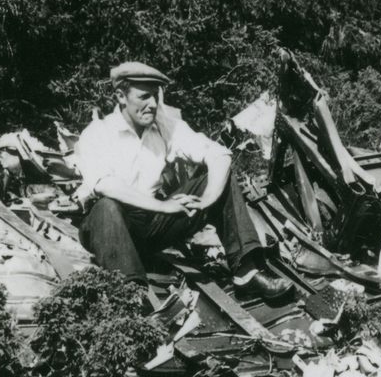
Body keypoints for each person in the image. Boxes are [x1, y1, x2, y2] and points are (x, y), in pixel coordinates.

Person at [75, 61, 293, 300]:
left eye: (156, 97)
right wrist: (164, 205)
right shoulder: (97, 134)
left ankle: (246, 273)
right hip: (107, 230)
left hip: (151, 226)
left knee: (221, 177)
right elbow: (106, 185)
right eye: (144, 97)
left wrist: (208, 198)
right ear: (120, 96)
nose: (153, 104)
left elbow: (218, 153)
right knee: (107, 206)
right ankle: (129, 295)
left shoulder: (162, 125)